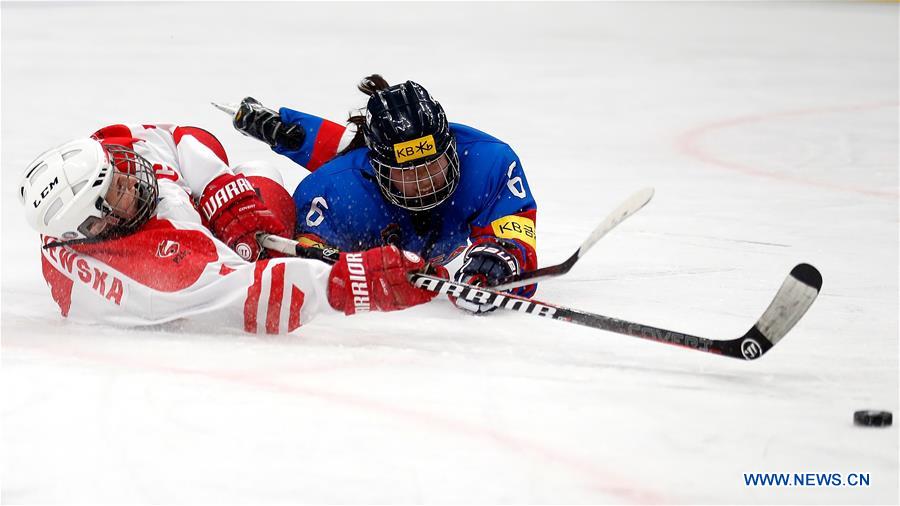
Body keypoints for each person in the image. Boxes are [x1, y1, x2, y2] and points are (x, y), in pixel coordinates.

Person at [18, 123, 445, 334]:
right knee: (265, 201)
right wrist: (346, 282)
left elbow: (179, 135)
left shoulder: (108, 160)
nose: (131, 175)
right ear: (97, 227)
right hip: (203, 273)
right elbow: (254, 294)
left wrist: (226, 197)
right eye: (116, 191)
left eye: (117, 169)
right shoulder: (152, 277)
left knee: (255, 176)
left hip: (193, 231)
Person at [226, 75, 539, 314]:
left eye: (434, 164)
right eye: (408, 173)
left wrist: (503, 258)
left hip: (372, 165)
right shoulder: (335, 192)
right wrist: (347, 267)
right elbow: (299, 270)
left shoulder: (488, 165)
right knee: (338, 164)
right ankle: (283, 133)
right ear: (378, 171)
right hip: (359, 176)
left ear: (452, 148)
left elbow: (516, 237)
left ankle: (289, 132)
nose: (426, 181)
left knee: (354, 150)